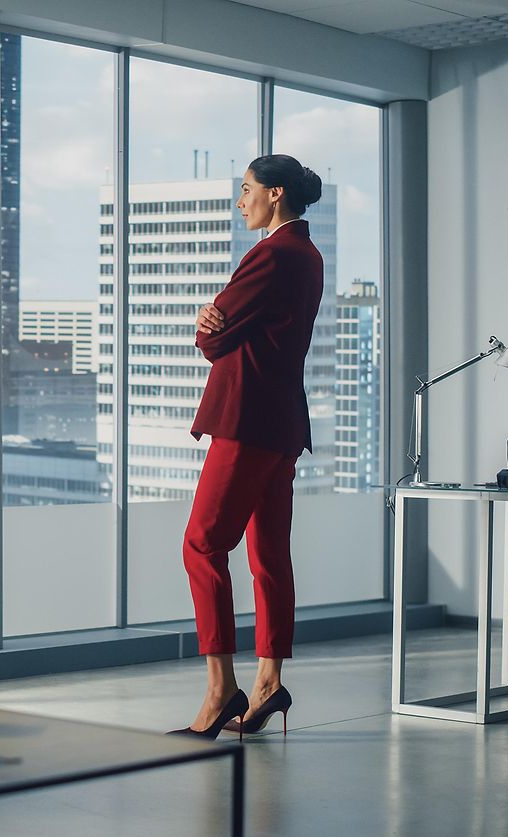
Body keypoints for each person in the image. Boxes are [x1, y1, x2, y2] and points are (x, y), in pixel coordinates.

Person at [168, 154, 324, 739]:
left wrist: (209, 325)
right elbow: (232, 327)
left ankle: (219, 690)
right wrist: (220, 324)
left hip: (248, 419)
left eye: (247, 189)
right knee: (267, 555)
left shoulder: (272, 254)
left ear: (275, 194)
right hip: (281, 423)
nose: (241, 201)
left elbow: (214, 336)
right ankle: (267, 682)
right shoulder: (307, 254)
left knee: (202, 545)